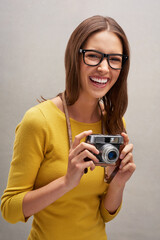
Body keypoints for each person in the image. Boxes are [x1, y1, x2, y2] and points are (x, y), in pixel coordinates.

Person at [1, 15, 136, 240]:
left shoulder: (114, 123)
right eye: (93, 56)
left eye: (114, 59)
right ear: (75, 57)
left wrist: (118, 183)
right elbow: (10, 210)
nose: (104, 68)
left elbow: (105, 214)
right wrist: (66, 182)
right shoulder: (38, 120)